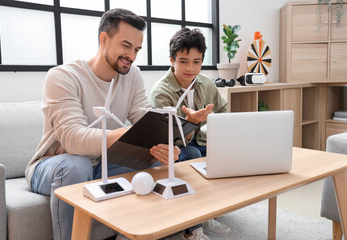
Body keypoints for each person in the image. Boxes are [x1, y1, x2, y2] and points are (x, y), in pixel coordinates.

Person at [25, 8, 179, 240]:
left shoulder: (132, 75)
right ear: (104, 39)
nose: (132, 56)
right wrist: (126, 133)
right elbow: (73, 139)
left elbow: (143, 117)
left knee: (148, 172)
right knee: (76, 166)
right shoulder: (63, 76)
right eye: (126, 46)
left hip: (102, 163)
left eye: (137, 49)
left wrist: (166, 143)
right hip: (52, 165)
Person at [150, 28, 230, 238]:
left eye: (196, 61)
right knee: (194, 156)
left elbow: (223, 111)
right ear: (172, 60)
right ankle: (193, 229)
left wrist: (214, 129)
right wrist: (190, 123)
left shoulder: (206, 83)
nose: (190, 68)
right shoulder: (161, 92)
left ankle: (207, 212)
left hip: (205, 141)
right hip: (174, 149)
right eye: (183, 61)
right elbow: (166, 139)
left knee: (225, 153)